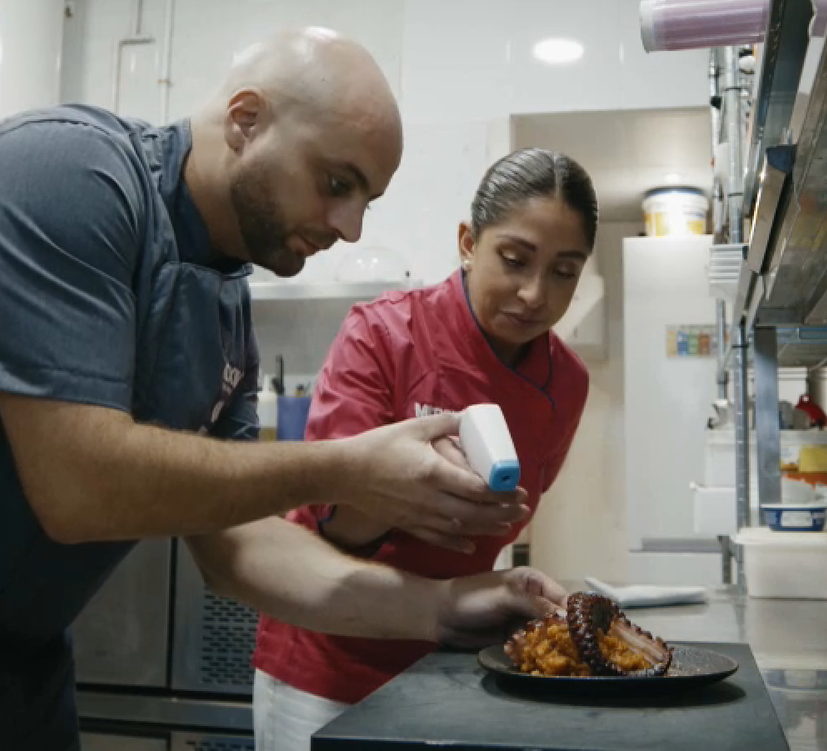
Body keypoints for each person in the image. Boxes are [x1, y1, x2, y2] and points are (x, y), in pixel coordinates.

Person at [0, 28, 566, 750]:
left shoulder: (222, 305)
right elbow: (79, 485)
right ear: (247, 121)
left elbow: (240, 550)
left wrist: (445, 609)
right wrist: (343, 469)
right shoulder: (64, 176)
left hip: (7, 683)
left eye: (366, 198)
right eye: (336, 182)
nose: (348, 225)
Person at [252, 147, 598, 750]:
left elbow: (504, 524)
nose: (534, 294)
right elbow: (335, 528)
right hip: (329, 655)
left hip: (452, 657)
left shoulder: (566, 383)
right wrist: (405, 489)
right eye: (514, 260)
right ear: (468, 242)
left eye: (564, 272)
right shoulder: (384, 335)